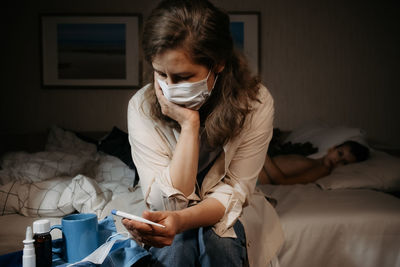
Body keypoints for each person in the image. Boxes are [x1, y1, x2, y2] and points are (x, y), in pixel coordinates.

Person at [123, 0, 283, 266]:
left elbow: (235, 190)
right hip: (169, 209)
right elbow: (169, 205)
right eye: (160, 73)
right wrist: (188, 126)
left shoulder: (255, 103)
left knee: (220, 243)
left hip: (225, 205)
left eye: (183, 77)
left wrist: (182, 221)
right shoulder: (140, 106)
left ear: (218, 63)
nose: (169, 87)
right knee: (175, 249)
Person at [258, 140, 370, 185]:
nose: (337, 160)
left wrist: (263, 155)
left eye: (344, 162)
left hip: (254, 178)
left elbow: (282, 181)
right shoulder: (313, 161)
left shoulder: (323, 170)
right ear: (332, 148)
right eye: (339, 154)